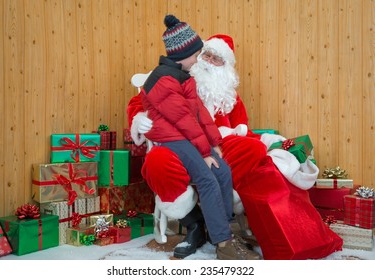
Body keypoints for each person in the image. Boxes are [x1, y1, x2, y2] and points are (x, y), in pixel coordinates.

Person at [128, 33, 343, 259]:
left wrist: (257, 140)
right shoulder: (173, 77)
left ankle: (221, 230)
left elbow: (244, 132)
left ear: (226, 66)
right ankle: (195, 225)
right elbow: (139, 102)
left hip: (216, 148)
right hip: (176, 146)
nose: (209, 62)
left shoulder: (229, 97)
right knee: (157, 161)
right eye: (206, 55)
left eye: (216, 59)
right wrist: (138, 117)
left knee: (252, 150)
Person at [134, 15, 260, 260]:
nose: (200, 59)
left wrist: (214, 144)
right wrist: (204, 153)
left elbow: (200, 113)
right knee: (207, 179)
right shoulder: (163, 79)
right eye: (197, 54)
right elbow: (184, 120)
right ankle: (224, 245)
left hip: (185, 137)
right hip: (169, 138)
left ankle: (223, 231)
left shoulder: (185, 75)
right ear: (183, 54)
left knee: (221, 170)